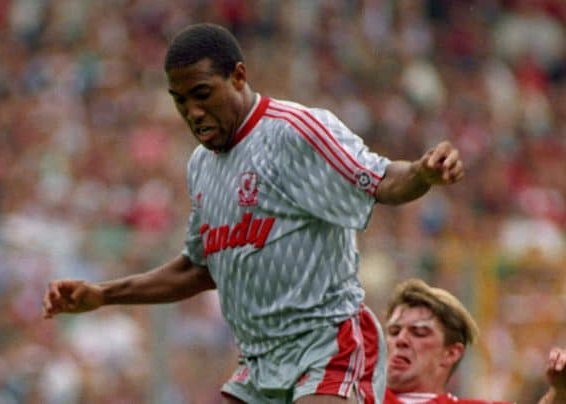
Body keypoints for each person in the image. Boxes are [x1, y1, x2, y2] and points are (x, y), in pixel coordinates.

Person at [42, 23, 465, 404]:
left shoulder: (294, 131)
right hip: (259, 365)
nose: (192, 111)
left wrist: (423, 173)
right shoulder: (201, 166)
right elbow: (199, 268)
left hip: (327, 347)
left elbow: (382, 179)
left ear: (239, 76)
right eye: (180, 100)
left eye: (202, 94)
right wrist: (104, 294)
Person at [383, 278, 566, 403]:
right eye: (393, 331)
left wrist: (560, 390)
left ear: (451, 353)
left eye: (419, 332)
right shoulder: (359, 395)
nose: (401, 340)